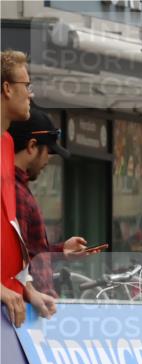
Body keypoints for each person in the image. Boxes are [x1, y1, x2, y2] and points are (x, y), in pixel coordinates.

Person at [1, 49, 56, 327]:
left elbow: (10, 229)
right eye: (27, 86)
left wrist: (28, 288)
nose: (30, 95)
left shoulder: (7, 144)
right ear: (7, 88)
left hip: (11, 304)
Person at [11, 108, 87, 297]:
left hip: (35, 305)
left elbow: (31, 254)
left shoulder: (18, 188)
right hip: (30, 308)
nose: (48, 159)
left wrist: (61, 251)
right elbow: (16, 260)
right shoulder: (16, 192)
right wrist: (34, 296)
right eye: (48, 151)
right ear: (32, 146)